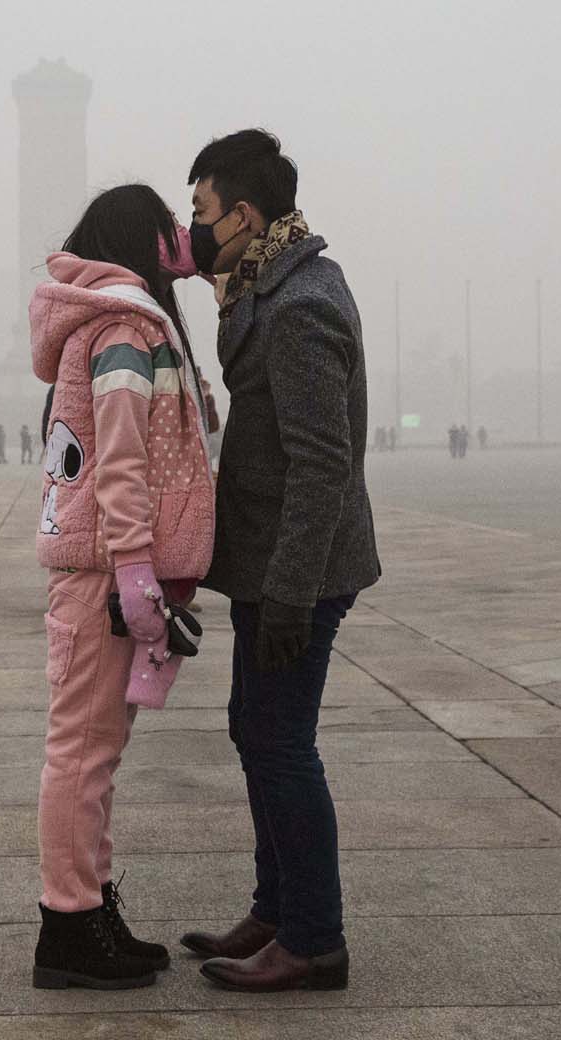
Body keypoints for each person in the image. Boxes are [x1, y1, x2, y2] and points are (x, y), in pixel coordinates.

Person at [179, 129, 380, 993]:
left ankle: (314, 938)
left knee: (282, 744)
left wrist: (293, 596)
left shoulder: (301, 305)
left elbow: (322, 463)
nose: (194, 230)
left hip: (300, 570)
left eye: (201, 212)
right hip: (269, 564)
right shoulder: (273, 282)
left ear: (245, 215)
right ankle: (276, 907)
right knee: (253, 731)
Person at [30, 184, 216, 991]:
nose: (182, 238)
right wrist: (136, 566)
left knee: (95, 753)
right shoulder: (123, 329)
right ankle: (68, 927)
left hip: (105, 568)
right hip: (104, 572)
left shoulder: (122, 321)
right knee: (81, 752)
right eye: (169, 227)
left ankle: (92, 907)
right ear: (140, 239)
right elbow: (122, 456)